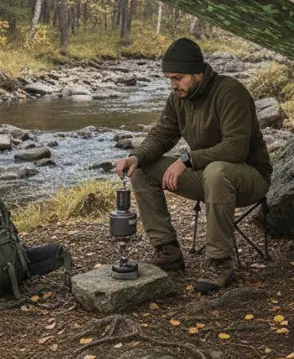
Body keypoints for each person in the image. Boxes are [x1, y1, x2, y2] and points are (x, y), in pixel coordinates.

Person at [115, 37, 272, 293]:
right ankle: (167, 250)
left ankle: (220, 262)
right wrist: (136, 157)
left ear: (197, 72)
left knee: (217, 170)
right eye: (169, 78)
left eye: (177, 78)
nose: (173, 85)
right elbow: (161, 135)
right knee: (142, 169)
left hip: (250, 178)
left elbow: (235, 148)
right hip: (207, 177)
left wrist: (186, 160)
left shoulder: (230, 92)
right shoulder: (178, 98)